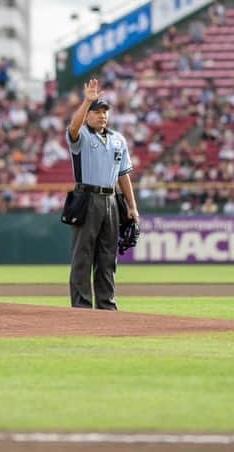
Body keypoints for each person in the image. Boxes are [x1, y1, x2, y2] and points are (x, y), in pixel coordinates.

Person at [65, 78, 139, 310]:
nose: (102, 115)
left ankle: (106, 304)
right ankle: (82, 305)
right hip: (87, 197)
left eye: (104, 111)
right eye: (97, 111)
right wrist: (87, 101)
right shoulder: (83, 136)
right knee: (83, 255)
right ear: (88, 115)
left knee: (108, 257)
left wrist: (132, 206)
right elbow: (73, 129)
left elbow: (123, 175)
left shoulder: (118, 139)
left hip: (111, 199)